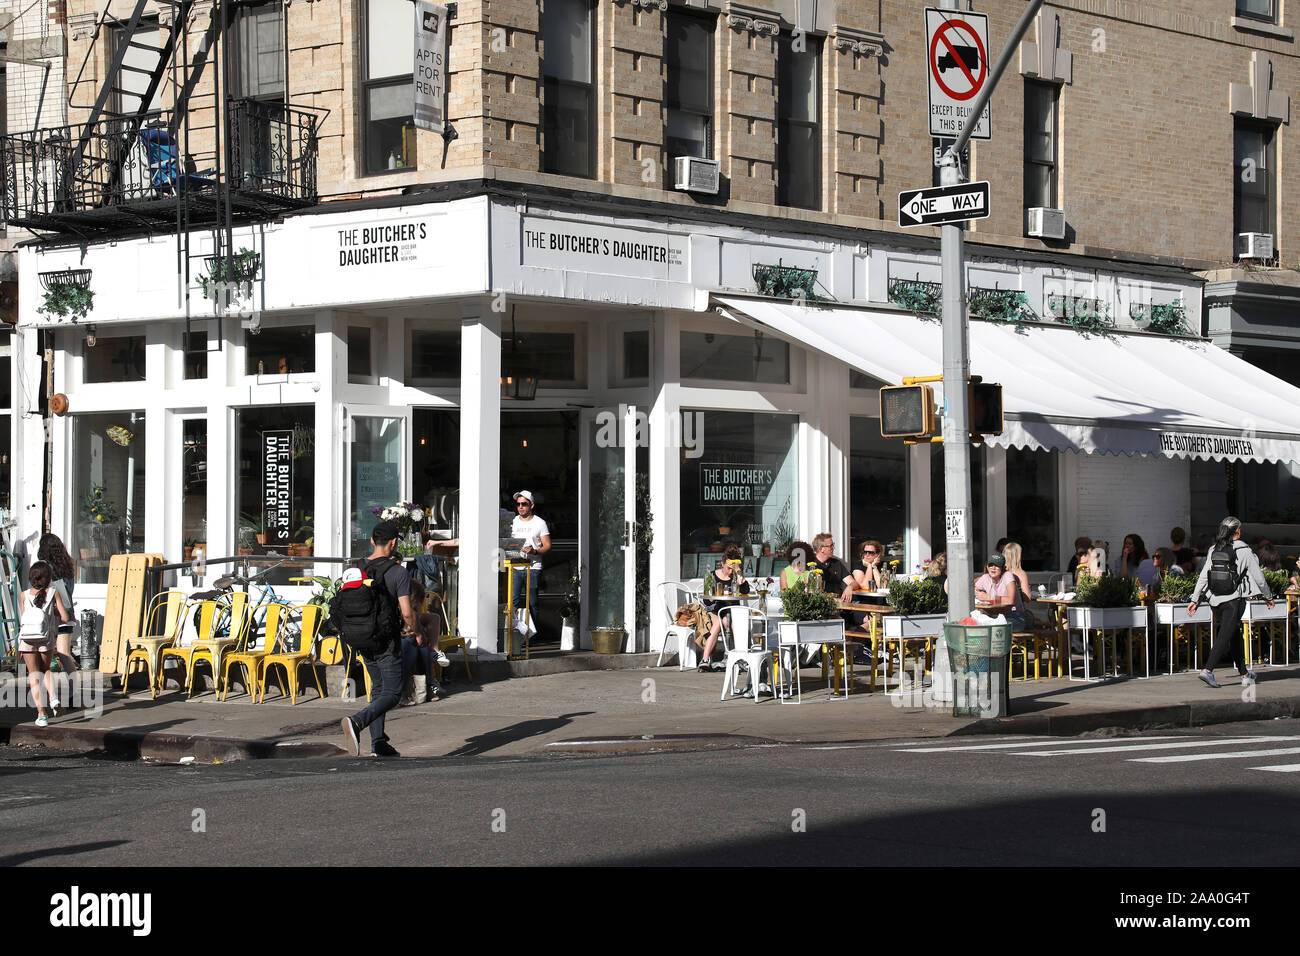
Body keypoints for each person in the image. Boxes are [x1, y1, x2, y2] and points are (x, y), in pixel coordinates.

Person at [341, 521, 418, 757]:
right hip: (387, 641)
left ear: (373, 541)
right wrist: (415, 630)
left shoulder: (357, 568)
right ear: (393, 543)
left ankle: (378, 743)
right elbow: (407, 612)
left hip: (362, 638)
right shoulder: (398, 572)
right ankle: (357, 722)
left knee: (379, 690)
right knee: (393, 693)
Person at [1188, 516, 1271, 689]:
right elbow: (1259, 578)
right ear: (1238, 532)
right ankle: (1208, 670)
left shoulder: (1213, 549)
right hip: (1234, 600)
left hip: (1214, 600)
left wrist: (1195, 599)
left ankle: (1244, 674)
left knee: (1233, 635)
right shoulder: (1245, 551)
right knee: (1225, 635)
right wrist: (1268, 597)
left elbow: (1204, 576)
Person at [17, 561, 70, 728]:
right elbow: (65, 617)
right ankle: (53, 698)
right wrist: (53, 611)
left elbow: (24, 619)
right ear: (48, 578)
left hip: (27, 639)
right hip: (46, 638)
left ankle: (42, 715)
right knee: (46, 669)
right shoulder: (53, 593)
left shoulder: (24, 595)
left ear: (31, 578)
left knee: (34, 675)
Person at [37, 533, 78, 709]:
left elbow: (40, 590)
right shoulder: (67, 566)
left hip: (51, 616)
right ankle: (74, 693)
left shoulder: (44, 567)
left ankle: (48, 695)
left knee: (43, 656)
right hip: (67, 614)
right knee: (65, 654)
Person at [698, 545, 751, 671]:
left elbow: (745, 590)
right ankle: (705, 659)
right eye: (728, 568)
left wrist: (739, 572)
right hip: (715, 609)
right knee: (717, 623)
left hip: (731, 610)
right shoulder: (712, 576)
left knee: (729, 623)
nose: (730, 572)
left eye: (733, 569)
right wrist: (713, 594)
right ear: (722, 564)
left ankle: (741, 657)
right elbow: (707, 600)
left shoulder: (736, 576)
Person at [401, 579, 451, 704]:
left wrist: (418, 633)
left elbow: (415, 624)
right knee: (412, 646)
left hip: (409, 638)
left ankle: (426, 687)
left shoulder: (411, 609)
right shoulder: (397, 606)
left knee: (422, 646)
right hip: (393, 641)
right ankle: (405, 691)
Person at [509, 490, 551, 621]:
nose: (520, 507)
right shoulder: (513, 521)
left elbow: (547, 545)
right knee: (513, 601)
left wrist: (534, 551)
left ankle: (532, 633)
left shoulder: (540, 523)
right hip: (515, 566)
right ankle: (514, 631)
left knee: (532, 603)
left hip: (533, 567)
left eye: (524, 504)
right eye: (518, 504)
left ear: (531, 505)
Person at [975, 553, 1030, 631]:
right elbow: (972, 591)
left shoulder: (1007, 576)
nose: (993, 568)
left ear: (1003, 568)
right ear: (987, 566)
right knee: (977, 622)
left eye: (997, 565)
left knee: (992, 627)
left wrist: (988, 597)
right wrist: (977, 593)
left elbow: (1010, 600)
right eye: (990, 565)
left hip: (1015, 616)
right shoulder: (985, 578)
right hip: (995, 615)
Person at [809, 532, 855, 602]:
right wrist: (834, 600)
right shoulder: (810, 565)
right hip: (820, 604)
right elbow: (810, 593)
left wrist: (850, 587)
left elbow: (853, 582)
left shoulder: (836, 563)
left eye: (833, 545)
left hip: (840, 604)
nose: (833, 548)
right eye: (830, 546)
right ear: (821, 549)